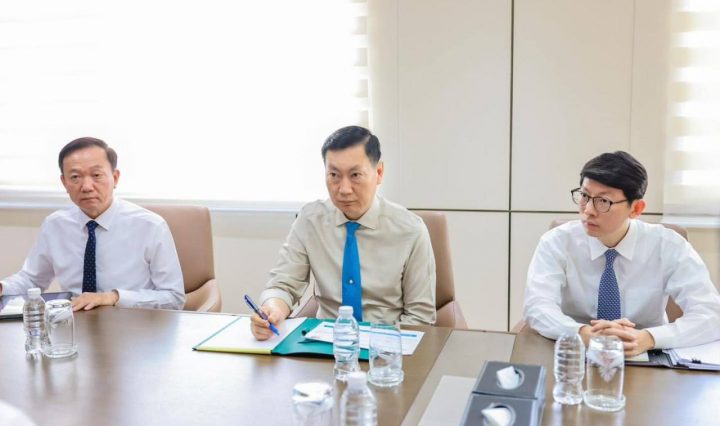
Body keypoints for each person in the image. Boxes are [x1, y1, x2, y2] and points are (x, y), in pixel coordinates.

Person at [523, 151, 720, 356]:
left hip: (647, 353)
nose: (588, 210)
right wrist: (583, 333)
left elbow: (711, 314)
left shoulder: (668, 245)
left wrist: (648, 337)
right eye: (585, 196)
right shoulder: (557, 242)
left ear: (636, 208)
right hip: (574, 352)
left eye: (603, 201)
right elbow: (537, 306)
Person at [251, 126, 436, 340]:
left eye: (355, 175)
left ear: (378, 173)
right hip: (326, 342)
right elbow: (283, 284)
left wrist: (384, 350)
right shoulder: (310, 220)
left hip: (386, 345)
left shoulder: (410, 230)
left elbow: (420, 317)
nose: (344, 189)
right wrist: (272, 310)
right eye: (334, 175)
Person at [0, 137, 185, 311]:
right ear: (64, 182)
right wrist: (3, 287)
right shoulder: (55, 225)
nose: (87, 187)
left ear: (115, 178)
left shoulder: (150, 226)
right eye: (75, 177)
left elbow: (174, 298)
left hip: (132, 323)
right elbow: (32, 279)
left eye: (96, 175)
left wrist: (113, 297)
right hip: (73, 324)